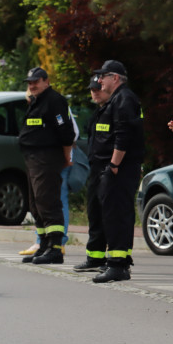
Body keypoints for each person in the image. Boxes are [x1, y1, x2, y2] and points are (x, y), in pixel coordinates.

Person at [81, 60, 146, 283]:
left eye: (103, 76)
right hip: (115, 167)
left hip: (121, 168)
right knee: (111, 213)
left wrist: (114, 165)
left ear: (115, 78)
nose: (99, 81)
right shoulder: (119, 99)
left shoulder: (124, 99)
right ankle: (116, 261)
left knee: (117, 214)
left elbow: (123, 135)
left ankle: (118, 265)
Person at [19, 67, 77, 265]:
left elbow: (66, 131)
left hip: (47, 158)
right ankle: (43, 244)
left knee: (47, 201)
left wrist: (67, 156)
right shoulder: (37, 101)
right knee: (35, 203)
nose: (32, 85)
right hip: (33, 158)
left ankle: (55, 247)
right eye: (29, 82)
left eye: (36, 81)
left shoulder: (54, 100)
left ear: (46, 81)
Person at [75, 75, 112, 272]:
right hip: (95, 169)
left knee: (108, 214)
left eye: (98, 88)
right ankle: (95, 257)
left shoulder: (113, 110)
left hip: (109, 169)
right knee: (94, 212)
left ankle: (114, 260)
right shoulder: (97, 113)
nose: (94, 92)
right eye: (92, 89)